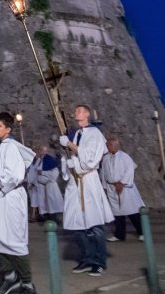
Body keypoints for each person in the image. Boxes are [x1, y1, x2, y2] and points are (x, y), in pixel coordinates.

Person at [0, 112, 36, 294]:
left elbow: (15, 176)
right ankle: (11, 277)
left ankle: (27, 283)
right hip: (0, 199)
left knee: (15, 242)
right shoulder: (2, 147)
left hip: (11, 199)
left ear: (8, 129)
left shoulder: (11, 148)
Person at [59, 104, 114, 277]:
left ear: (87, 114)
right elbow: (73, 157)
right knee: (78, 225)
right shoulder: (77, 134)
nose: (76, 112)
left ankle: (99, 261)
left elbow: (90, 158)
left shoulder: (95, 134)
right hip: (75, 182)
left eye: (79, 110)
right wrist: (67, 164)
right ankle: (87, 258)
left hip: (88, 180)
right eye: (75, 110)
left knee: (94, 224)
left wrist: (68, 144)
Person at [100, 136, 144, 242]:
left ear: (116, 145)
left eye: (109, 145)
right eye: (107, 145)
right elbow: (104, 173)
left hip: (125, 189)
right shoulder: (105, 158)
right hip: (111, 187)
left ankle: (142, 232)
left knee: (132, 211)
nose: (107, 146)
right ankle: (120, 235)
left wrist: (122, 183)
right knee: (117, 213)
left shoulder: (125, 157)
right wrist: (105, 186)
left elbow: (130, 170)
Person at [35, 145, 64, 223]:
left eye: (43, 150)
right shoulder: (39, 160)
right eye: (40, 150)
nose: (41, 152)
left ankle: (54, 218)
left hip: (50, 185)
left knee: (52, 202)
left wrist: (43, 172)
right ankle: (45, 217)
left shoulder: (50, 160)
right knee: (43, 203)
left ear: (46, 151)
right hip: (41, 186)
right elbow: (35, 171)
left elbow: (54, 174)